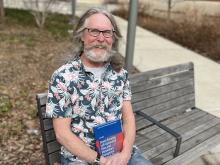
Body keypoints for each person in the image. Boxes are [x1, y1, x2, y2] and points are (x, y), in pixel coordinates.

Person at [46, 7, 153, 165]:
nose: (101, 39)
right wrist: (100, 160)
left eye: (107, 32)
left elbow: (128, 118)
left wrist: (125, 153)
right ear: (82, 35)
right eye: (94, 31)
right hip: (80, 159)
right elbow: (62, 134)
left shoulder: (120, 74)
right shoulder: (63, 77)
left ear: (113, 38)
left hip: (120, 153)